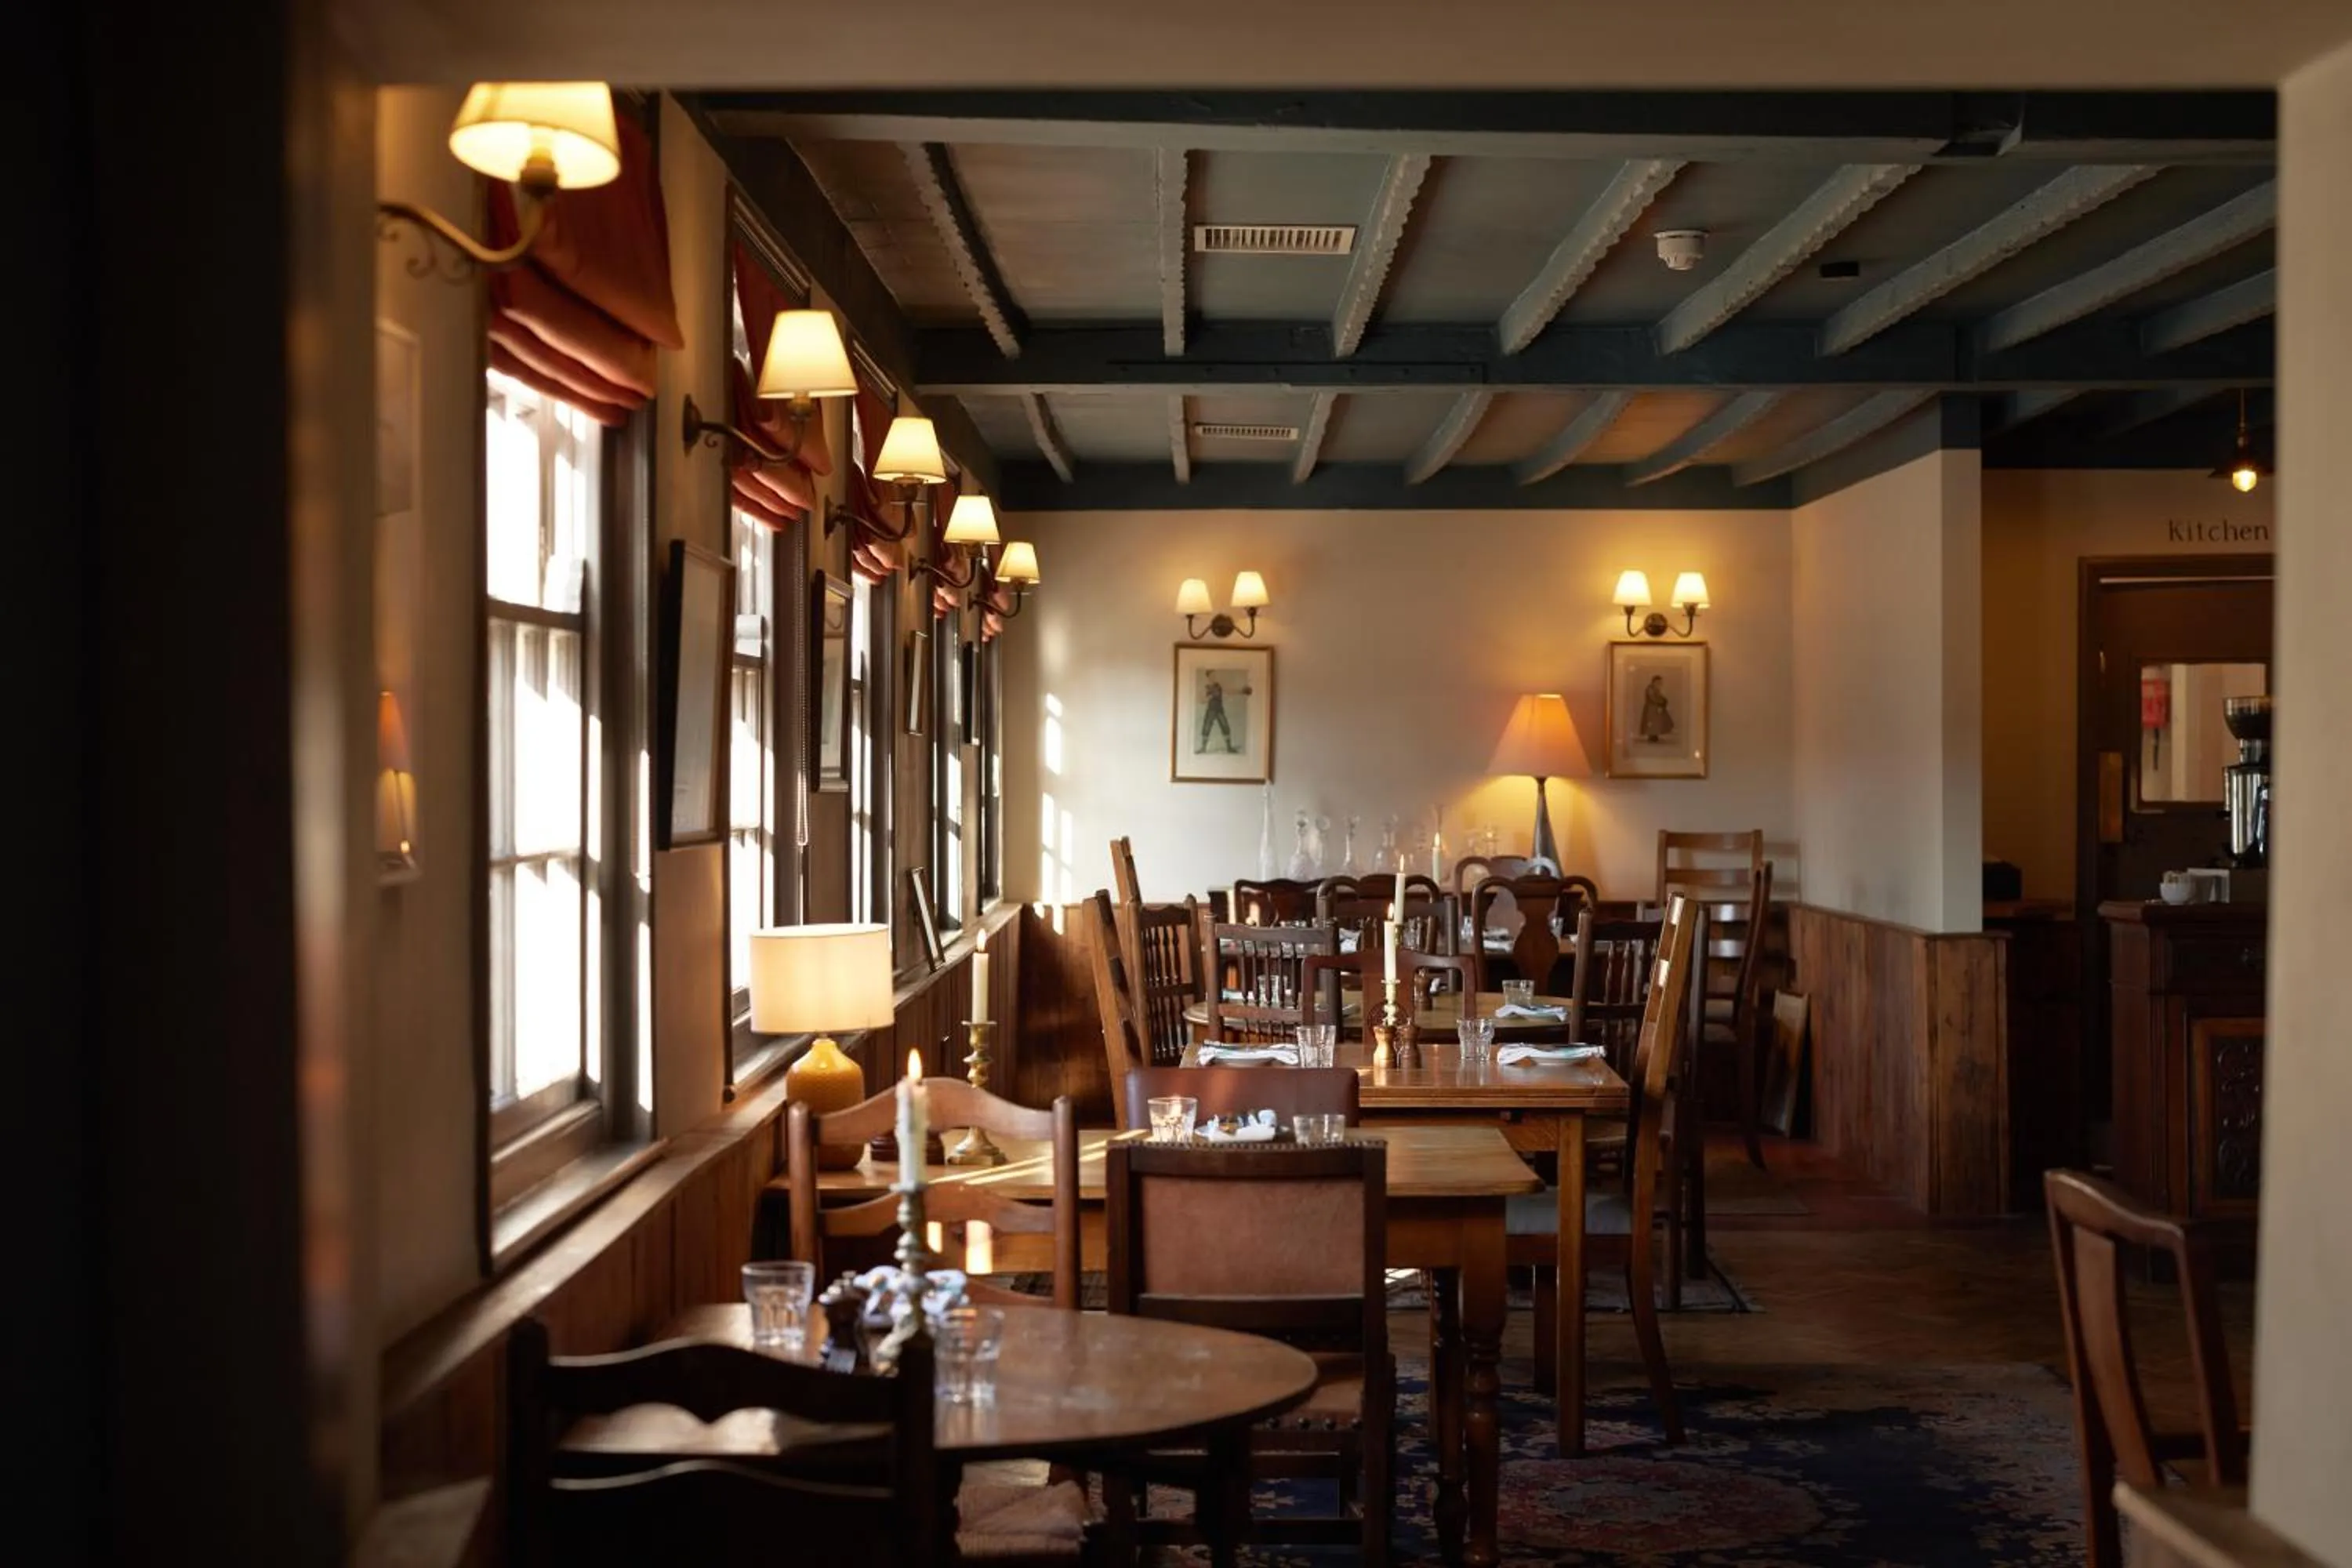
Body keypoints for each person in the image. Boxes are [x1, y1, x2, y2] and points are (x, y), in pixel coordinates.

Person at [1199, 672, 1250, 753]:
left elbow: (1229, 691)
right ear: (1208, 677)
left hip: (1219, 710)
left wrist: (1241, 691)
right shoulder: (1207, 688)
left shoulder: (1218, 686)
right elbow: (1201, 700)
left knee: (1225, 727)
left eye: (1214, 675)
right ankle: (1203, 748)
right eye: (1211, 676)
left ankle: (1229, 748)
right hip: (1211, 710)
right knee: (1206, 727)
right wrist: (1210, 696)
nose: (1213, 677)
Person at [1638, 674, 1675, 743]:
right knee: (1652, 723)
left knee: (1657, 723)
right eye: (1658, 682)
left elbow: (1659, 697)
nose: (1659, 684)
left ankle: (1655, 736)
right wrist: (1661, 701)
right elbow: (1653, 698)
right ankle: (1652, 736)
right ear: (1654, 682)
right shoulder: (1650, 689)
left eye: (1660, 682)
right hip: (1651, 709)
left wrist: (1663, 700)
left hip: (1656, 708)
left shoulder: (1656, 689)